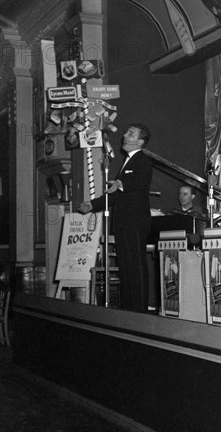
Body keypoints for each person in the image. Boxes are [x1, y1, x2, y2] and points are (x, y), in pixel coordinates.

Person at [79, 123, 152, 313]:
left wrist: (120, 182)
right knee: (125, 267)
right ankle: (129, 309)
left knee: (135, 265)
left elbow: (139, 182)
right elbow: (115, 194)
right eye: (127, 131)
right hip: (123, 223)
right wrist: (93, 205)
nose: (125, 135)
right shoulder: (126, 162)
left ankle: (140, 311)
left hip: (135, 222)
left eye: (131, 133)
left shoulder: (143, 161)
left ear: (140, 141)